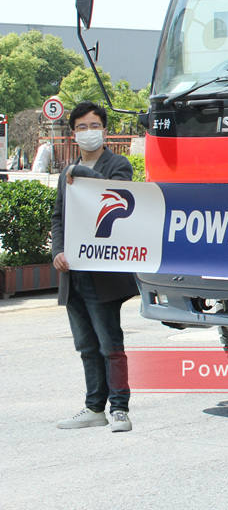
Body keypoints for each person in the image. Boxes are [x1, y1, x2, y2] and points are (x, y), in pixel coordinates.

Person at [50, 101, 137, 433]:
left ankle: (120, 408)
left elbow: (112, 195)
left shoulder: (118, 165)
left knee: (110, 344)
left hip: (104, 275)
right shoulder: (66, 172)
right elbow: (59, 218)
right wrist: (58, 251)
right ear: (73, 134)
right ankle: (93, 407)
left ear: (104, 130)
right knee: (86, 346)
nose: (88, 132)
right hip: (73, 274)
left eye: (94, 126)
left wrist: (81, 173)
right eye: (82, 127)